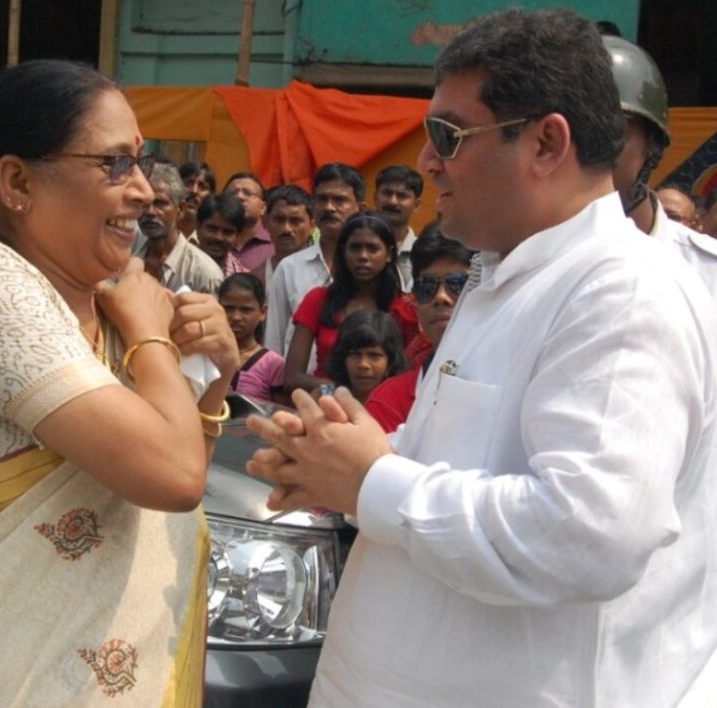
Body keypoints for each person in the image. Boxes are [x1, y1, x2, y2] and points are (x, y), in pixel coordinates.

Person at [246, 8, 717, 707]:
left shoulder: (621, 291)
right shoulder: (506, 274)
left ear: (545, 144)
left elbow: (588, 534)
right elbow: (476, 460)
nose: (427, 160)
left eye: (447, 135)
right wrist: (348, 458)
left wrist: (374, 482)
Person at [0, 59, 239, 705]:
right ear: (17, 180)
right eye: (112, 164)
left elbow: (165, 493)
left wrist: (217, 378)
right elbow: (170, 476)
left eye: (141, 161)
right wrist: (151, 336)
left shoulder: (104, 299)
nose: (143, 190)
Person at [605, 34, 717, 300]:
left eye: (611, 133)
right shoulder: (513, 258)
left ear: (652, 147)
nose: (585, 150)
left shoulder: (706, 271)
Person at [284, 211, 416, 393]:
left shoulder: (404, 308)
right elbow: (292, 377)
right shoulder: (318, 300)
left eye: (372, 248)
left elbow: (407, 376)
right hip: (327, 405)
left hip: (383, 409)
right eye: (355, 248)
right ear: (343, 252)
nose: (363, 256)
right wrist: (343, 391)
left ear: (389, 254)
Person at [366, 227, 473, 432]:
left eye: (458, 284)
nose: (441, 297)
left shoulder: (518, 385)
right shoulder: (390, 399)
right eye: (427, 285)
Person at [264, 162, 366, 356]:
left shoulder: (370, 268)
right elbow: (274, 344)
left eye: (339, 200)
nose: (329, 207)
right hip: (298, 384)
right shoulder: (290, 268)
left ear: (360, 208)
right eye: (322, 199)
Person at [135, 161, 223, 293]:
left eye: (160, 203)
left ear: (181, 209)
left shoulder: (204, 273)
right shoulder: (124, 259)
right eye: (143, 203)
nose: (150, 212)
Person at [218, 273, 285, 403]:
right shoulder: (206, 355)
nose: (236, 317)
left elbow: (281, 412)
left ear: (262, 313)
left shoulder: (273, 364)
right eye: (229, 308)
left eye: (246, 310)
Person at [326, 309, 409, 404]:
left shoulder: (403, 405)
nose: (363, 364)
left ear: (390, 362)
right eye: (355, 354)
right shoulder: (325, 396)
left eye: (374, 355)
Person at [251, 183, 315, 291]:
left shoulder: (327, 274)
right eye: (279, 220)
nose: (286, 229)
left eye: (295, 221)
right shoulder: (257, 279)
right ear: (265, 223)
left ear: (312, 225)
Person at [373, 164, 423, 289]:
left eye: (402, 195)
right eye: (387, 193)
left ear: (416, 205)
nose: (392, 201)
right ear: (375, 198)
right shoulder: (358, 249)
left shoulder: (425, 253)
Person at [223, 172, 274, 270]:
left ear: (263, 207)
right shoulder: (213, 241)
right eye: (232, 193)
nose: (239, 197)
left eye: (248, 193)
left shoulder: (276, 245)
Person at [195, 192, 250, 277]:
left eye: (227, 232)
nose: (218, 238)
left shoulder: (244, 279)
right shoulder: (179, 268)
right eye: (212, 229)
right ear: (198, 227)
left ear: (238, 236)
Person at [178, 160, 217, 240]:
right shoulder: (160, 230)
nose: (194, 190)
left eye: (202, 186)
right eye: (188, 183)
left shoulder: (212, 239)